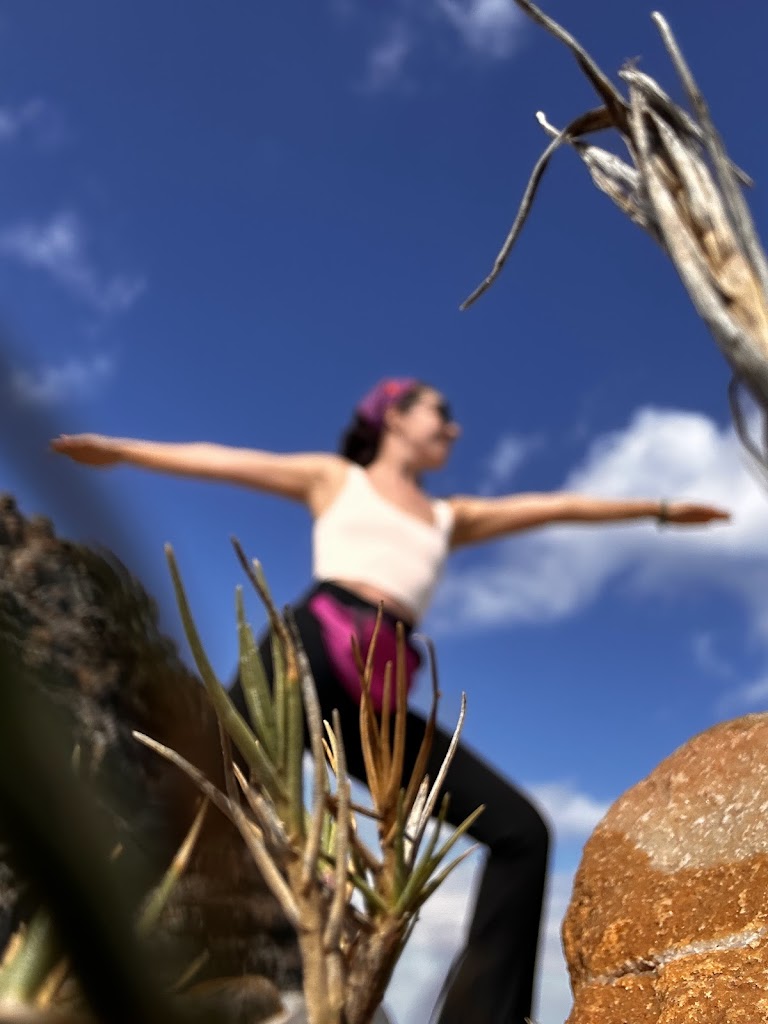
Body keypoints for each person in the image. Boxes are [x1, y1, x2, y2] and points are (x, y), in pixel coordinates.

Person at [51, 378, 730, 1024]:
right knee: (204, 789)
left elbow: (554, 507)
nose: (453, 428)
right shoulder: (335, 479)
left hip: (379, 688)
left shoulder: (449, 516)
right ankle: (70, 946)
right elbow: (225, 461)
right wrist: (120, 451)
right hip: (309, 648)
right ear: (394, 416)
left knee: (521, 830)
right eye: (440, 412)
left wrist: (659, 511)